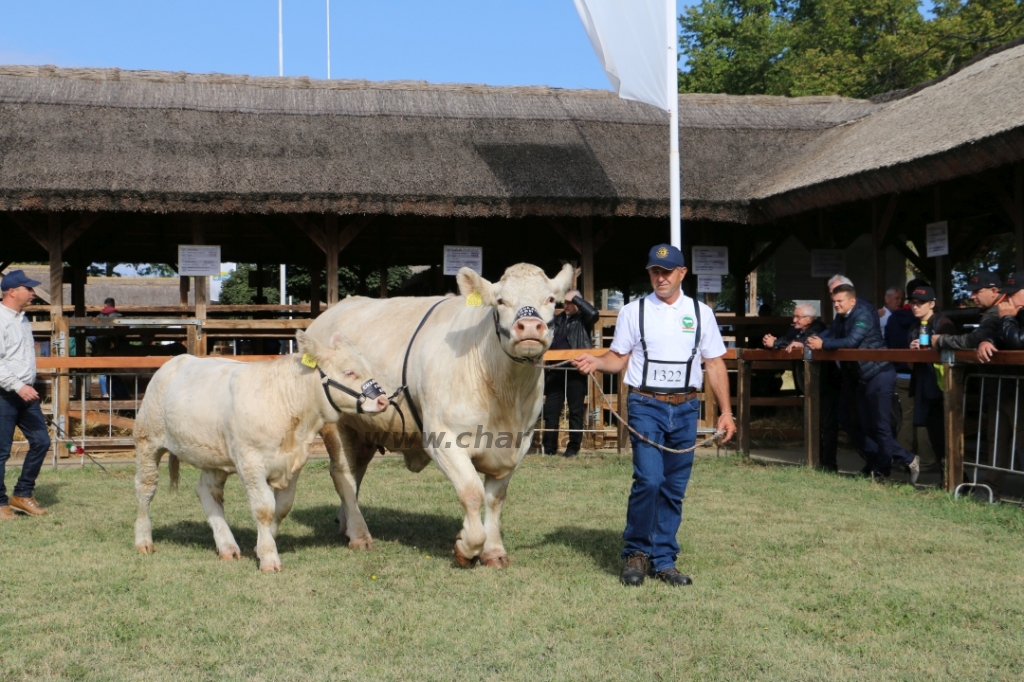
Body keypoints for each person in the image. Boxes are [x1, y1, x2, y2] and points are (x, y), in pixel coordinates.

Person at [573, 244, 735, 587]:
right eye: (654, 272)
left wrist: (726, 412)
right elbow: (618, 357)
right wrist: (596, 362)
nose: (660, 278)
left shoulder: (700, 313)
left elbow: (714, 362)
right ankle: (636, 553)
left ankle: (664, 559)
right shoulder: (635, 312)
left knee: (674, 486)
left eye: (666, 271)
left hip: (687, 407)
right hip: (646, 404)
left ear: (681, 273)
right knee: (649, 479)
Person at [807, 284, 920, 482]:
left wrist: (823, 344)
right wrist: (808, 341)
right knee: (856, 422)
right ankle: (880, 463)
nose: (836, 305)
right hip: (861, 377)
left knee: (880, 426)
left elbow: (852, 341)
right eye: (834, 301)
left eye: (839, 301)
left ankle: (897, 463)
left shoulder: (864, 313)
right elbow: (832, 333)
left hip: (879, 373)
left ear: (852, 300)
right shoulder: (842, 316)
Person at [0, 270, 51, 519]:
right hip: (4, 393)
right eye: (28, 289)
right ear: (12, 291)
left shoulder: (22, 319)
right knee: (1, 450)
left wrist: (27, 384)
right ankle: (0, 503)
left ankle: (21, 494)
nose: (33, 293)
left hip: (25, 394)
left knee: (42, 442)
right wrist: (18, 385)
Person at [542, 290, 599, 457]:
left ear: (578, 303)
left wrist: (575, 298)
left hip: (576, 370)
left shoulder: (583, 319)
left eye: (570, 303)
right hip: (555, 369)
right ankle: (549, 448)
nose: (566, 306)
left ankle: (573, 448)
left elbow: (594, 313)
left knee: (575, 411)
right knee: (551, 411)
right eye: (565, 302)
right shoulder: (557, 319)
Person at [906, 286, 955, 475]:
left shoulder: (944, 323)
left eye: (920, 303)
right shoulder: (914, 327)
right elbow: (910, 364)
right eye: (912, 303)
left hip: (942, 387)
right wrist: (913, 351)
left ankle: (954, 478)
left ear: (932, 303)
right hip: (924, 386)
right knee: (934, 434)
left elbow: (954, 352)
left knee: (945, 435)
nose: (915, 306)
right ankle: (946, 477)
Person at [762, 303, 826, 394]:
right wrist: (773, 341)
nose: (794, 320)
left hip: (819, 373)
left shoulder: (818, 328)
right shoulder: (795, 329)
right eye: (794, 316)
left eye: (798, 317)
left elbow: (803, 342)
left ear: (810, 319)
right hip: (801, 370)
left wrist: (775, 343)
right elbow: (786, 339)